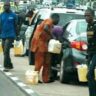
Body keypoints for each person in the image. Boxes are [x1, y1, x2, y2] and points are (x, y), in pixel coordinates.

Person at [30, 13, 60, 83]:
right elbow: (46, 28)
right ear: (55, 18)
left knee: (47, 62)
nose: (58, 22)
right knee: (39, 62)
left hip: (44, 45)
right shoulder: (49, 21)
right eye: (58, 20)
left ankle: (46, 79)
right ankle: (35, 78)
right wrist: (52, 35)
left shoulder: (51, 25)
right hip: (39, 44)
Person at [0, 2, 18, 71]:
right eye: (5, 6)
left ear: (9, 6)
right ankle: (9, 64)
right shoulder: (1, 15)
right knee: (5, 51)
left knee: (6, 50)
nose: (6, 7)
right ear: (3, 6)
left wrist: (17, 35)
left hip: (11, 35)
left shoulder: (13, 15)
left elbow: (16, 26)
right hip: (3, 35)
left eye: (7, 5)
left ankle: (6, 66)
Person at [85, 8, 96, 96]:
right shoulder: (88, 26)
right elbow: (89, 41)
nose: (86, 17)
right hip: (90, 53)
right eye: (85, 15)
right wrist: (87, 54)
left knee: (89, 74)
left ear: (93, 16)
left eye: (88, 15)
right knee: (89, 76)